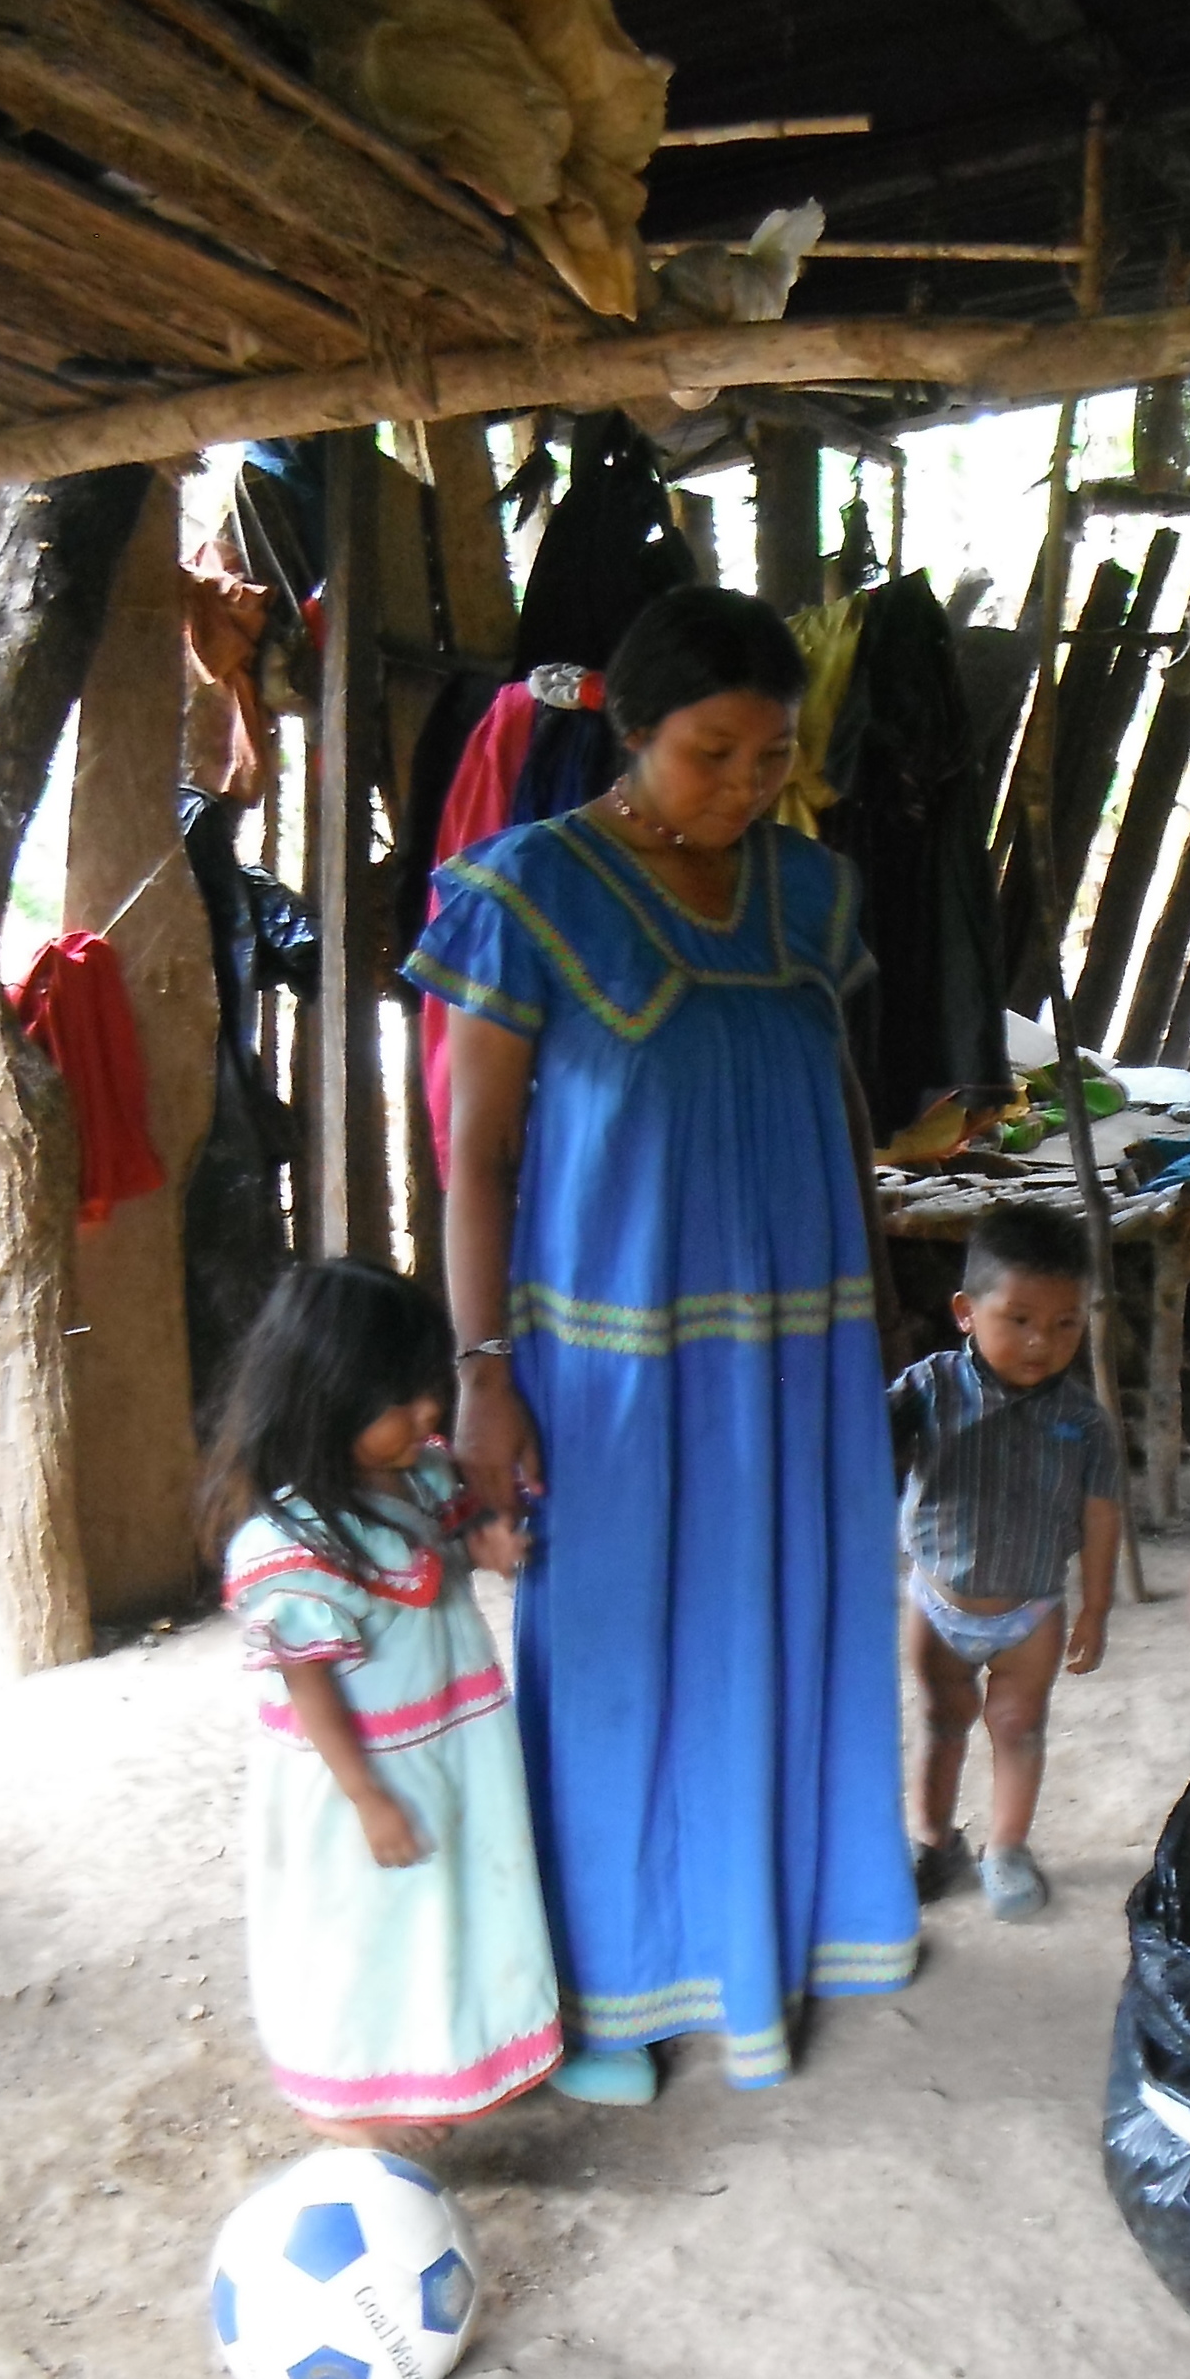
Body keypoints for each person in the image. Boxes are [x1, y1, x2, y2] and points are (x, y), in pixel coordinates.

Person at [405, 585, 919, 2103]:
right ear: (631, 734)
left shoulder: (814, 896)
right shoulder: (524, 894)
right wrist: (480, 1371)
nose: (747, 786)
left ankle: (768, 1943)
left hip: (797, 1352)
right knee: (620, 1658)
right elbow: (476, 1158)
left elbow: (830, 1108)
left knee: (784, 1626)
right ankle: (613, 1994)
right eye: (712, 751)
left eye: (771, 755)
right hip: (611, 1368)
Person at [204, 1259, 562, 2146]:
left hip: (449, 1753)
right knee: (361, 1935)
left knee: (438, 1921)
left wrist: (488, 1543)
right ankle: (351, 2105)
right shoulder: (292, 1544)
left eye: (424, 1390)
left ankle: (420, 2069)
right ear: (323, 1401)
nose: (429, 1413)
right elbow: (309, 1683)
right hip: (364, 1783)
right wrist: (366, 1796)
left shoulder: (415, 1477)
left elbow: (446, 1543)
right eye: (397, 1402)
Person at [891, 1201, 1123, 1920]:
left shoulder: (1084, 1418)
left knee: (1020, 1726)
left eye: (1065, 1323)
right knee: (940, 1720)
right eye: (1018, 1318)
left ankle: (1007, 1847)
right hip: (936, 1604)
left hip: (1032, 1613)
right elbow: (860, 1454)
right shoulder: (927, 1390)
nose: (1040, 1342)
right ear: (965, 1310)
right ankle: (934, 1841)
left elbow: (1101, 1512)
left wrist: (1096, 1603)